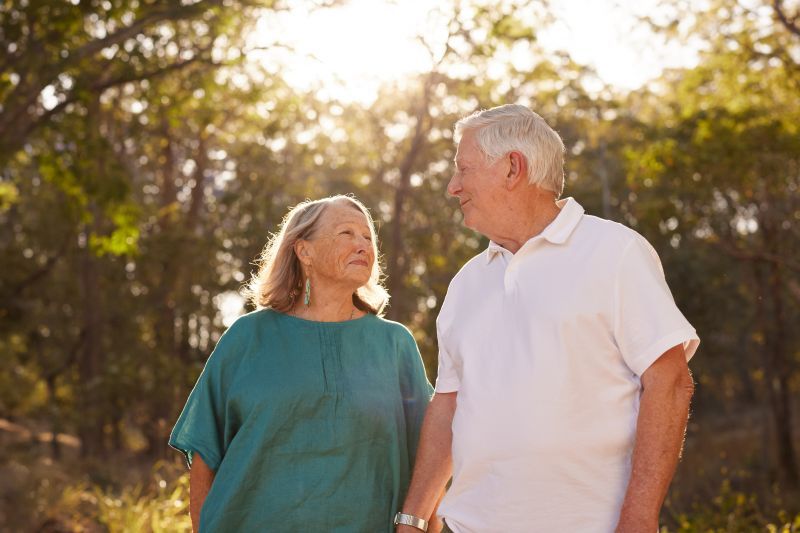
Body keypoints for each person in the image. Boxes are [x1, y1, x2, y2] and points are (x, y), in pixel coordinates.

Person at [394, 105, 700, 533]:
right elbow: (448, 405)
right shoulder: (467, 282)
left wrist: (638, 519)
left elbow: (670, 382)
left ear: (512, 168)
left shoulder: (615, 251)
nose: (452, 186)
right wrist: (412, 518)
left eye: (464, 169)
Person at [170, 194, 433, 532]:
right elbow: (205, 452)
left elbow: (431, 455)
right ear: (304, 250)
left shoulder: (395, 345)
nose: (362, 245)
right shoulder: (248, 337)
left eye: (368, 236)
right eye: (346, 234)